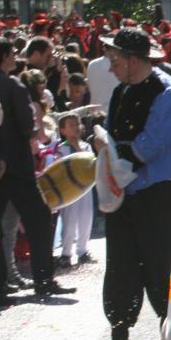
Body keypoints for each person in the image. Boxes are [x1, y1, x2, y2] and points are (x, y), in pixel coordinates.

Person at [80, 28, 171, 340]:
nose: (110, 68)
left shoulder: (165, 92)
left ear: (133, 60)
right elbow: (113, 134)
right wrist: (102, 142)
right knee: (121, 266)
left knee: (159, 264)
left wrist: (110, 150)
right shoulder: (122, 91)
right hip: (123, 193)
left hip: (154, 194)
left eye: (114, 60)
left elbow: (149, 146)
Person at [0, 37, 74, 298]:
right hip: (17, 163)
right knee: (39, 219)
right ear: (2, 57)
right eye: (11, 53)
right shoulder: (13, 85)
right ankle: (43, 279)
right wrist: (36, 130)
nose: (15, 56)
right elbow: (26, 126)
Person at [53, 111, 94, 269]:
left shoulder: (86, 146)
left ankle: (82, 250)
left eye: (77, 124)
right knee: (69, 221)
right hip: (69, 190)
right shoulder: (60, 148)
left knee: (86, 218)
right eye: (71, 125)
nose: (76, 128)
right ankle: (66, 253)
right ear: (62, 130)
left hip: (85, 188)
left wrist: (78, 145)